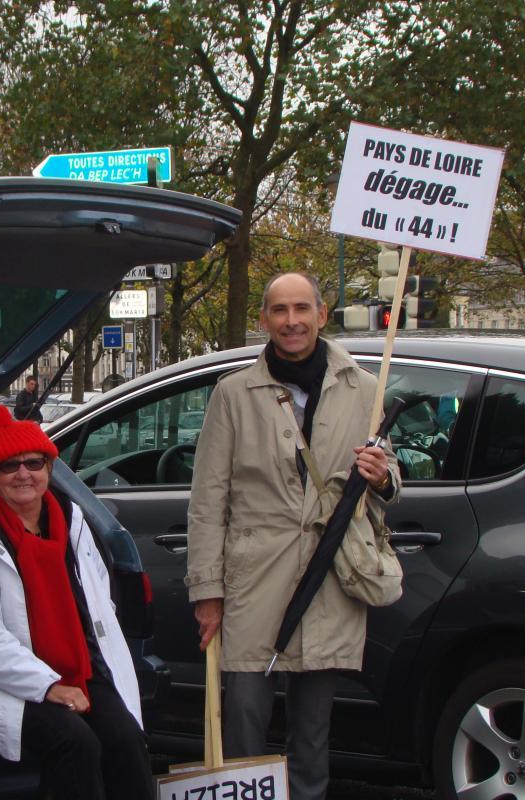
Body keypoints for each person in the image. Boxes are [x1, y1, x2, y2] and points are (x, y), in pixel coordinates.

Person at [185, 272, 399, 800]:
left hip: (329, 577)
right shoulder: (233, 393)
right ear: (264, 320)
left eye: (302, 308)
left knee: (312, 731)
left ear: (322, 315)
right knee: (244, 720)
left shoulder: (366, 389)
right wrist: (207, 593)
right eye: (279, 310)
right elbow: (208, 500)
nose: (291, 321)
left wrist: (382, 474)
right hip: (253, 581)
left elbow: (391, 475)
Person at [0, 405, 154, 800]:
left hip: (79, 668)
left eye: (34, 463)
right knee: (75, 745)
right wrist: (47, 685)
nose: (23, 474)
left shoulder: (73, 519)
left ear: (50, 468)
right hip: (9, 678)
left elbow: (100, 599)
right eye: (8, 466)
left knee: (127, 741)